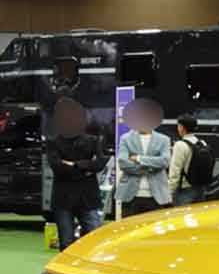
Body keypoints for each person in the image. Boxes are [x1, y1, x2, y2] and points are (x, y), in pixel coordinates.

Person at [46, 98, 104, 251]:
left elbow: (99, 164)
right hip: (63, 200)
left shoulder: (93, 141)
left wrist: (75, 164)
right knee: (66, 244)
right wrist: (86, 167)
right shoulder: (53, 142)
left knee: (96, 241)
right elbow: (57, 166)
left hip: (88, 198)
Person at [115, 98, 172, 217]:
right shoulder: (126, 138)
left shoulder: (164, 139)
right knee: (128, 228)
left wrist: (139, 159)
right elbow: (123, 163)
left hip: (157, 196)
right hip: (130, 195)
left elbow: (165, 161)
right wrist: (152, 167)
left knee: (155, 228)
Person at [168, 113, 211, 204]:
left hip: (184, 192)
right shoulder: (202, 143)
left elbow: (175, 172)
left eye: (178, 126)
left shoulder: (180, 145)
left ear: (182, 127)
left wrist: (170, 191)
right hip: (201, 190)